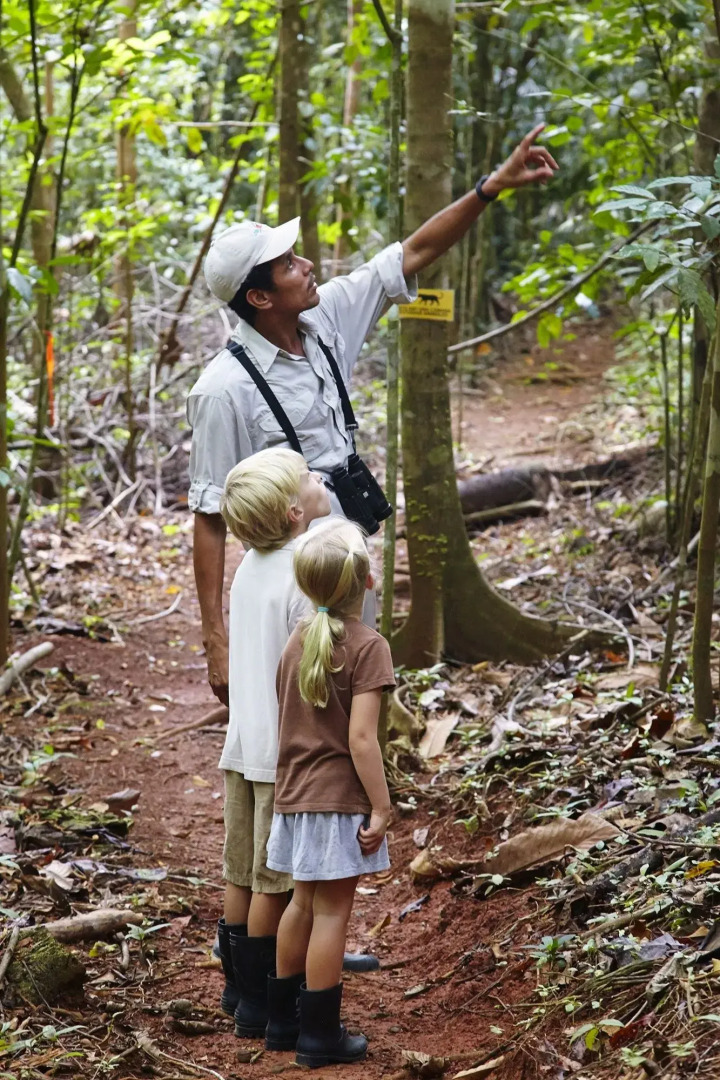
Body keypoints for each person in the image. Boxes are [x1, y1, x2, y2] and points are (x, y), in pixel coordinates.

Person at [187, 123, 559, 708]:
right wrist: (215, 637)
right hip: (288, 569)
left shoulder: (326, 319)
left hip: (351, 543)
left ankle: (361, 789)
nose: (308, 265)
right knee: (304, 704)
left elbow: (413, 252)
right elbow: (209, 516)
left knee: (358, 687)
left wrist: (492, 187)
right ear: (258, 297)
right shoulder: (223, 389)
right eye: (288, 265)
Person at [263, 518, 396, 1067]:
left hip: (293, 797)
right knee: (333, 913)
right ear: (366, 581)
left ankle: (282, 1022)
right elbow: (361, 739)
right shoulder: (369, 647)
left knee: (301, 901)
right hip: (338, 800)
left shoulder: (298, 640)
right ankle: (319, 1036)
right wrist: (382, 806)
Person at [214, 447, 331, 1036]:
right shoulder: (301, 575)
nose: (319, 479)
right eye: (309, 478)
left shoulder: (248, 568)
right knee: (272, 882)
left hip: (242, 745)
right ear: (292, 513)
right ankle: (265, 1002)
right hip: (281, 757)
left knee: (241, 872)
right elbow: (308, 673)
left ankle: (237, 990)